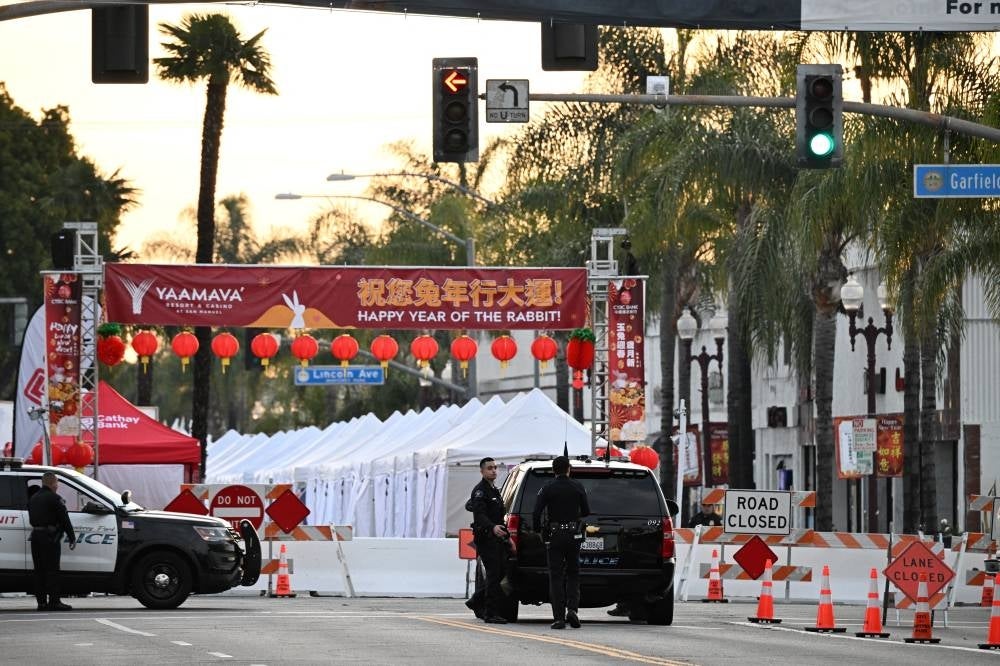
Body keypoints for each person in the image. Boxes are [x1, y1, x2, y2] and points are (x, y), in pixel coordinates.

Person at [533, 455, 590, 630]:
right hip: (573, 535)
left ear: (553, 470)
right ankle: (572, 609)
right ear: (568, 469)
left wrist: (538, 530)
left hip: (555, 535)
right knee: (573, 573)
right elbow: (586, 511)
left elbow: (536, 512)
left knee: (556, 576)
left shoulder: (548, 487)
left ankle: (558, 617)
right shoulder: (578, 486)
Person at [466, 457, 510, 624]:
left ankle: (476, 600)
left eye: (495, 468)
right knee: (493, 574)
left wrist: (505, 535)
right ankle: (490, 612)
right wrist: (492, 527)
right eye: (489, 468)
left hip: (497, 537)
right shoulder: (480, 491)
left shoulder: (494, 490)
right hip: (486, 538)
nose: (493, 471)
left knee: (499, 573)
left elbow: (499, 515)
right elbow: (480, 515)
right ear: (482, 471)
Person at [28, 472, 76, 611]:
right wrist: (71, 537)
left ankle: (41, 603)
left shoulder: (33, 498)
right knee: (52, 570)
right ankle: (54, 602)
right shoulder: (55, 498)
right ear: (53, 483)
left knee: (39, 571)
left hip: (36, 536)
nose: (57, 486)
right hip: (49, 538)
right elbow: (64, 519)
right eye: (57, 483)